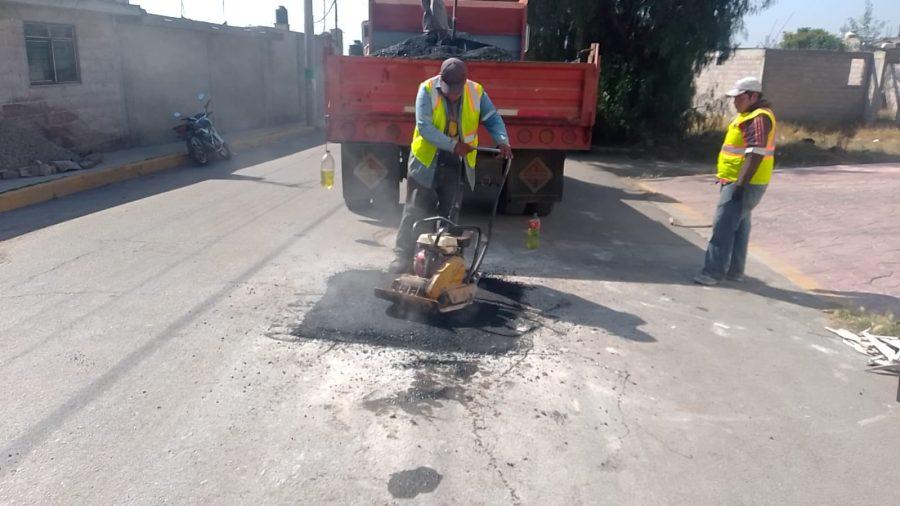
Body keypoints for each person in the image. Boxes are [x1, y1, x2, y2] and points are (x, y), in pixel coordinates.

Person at [390, 57, 513, 273]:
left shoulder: (476, 92)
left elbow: (493, 119)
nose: (453, 93)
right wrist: (453, 145)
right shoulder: (426, 90)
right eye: (449, 89)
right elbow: (424, 127)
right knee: (415, 211)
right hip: (426, 161)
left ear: (464, 82)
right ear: (441, 80)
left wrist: (502, 140)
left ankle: (443, 261)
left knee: (450, 213)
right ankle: (403, 257)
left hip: (455, 164)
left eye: (457, 89)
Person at [694, 77, 777, 286]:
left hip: (744, 183)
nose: (735, 102)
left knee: (723, 226)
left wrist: (740, 185)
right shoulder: (751, 115)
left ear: (753, 96)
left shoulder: (758, 118)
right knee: (740, 227)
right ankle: (735, 272)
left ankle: (712, 273)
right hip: (743, 181)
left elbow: (756, 153)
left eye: (739, 98)